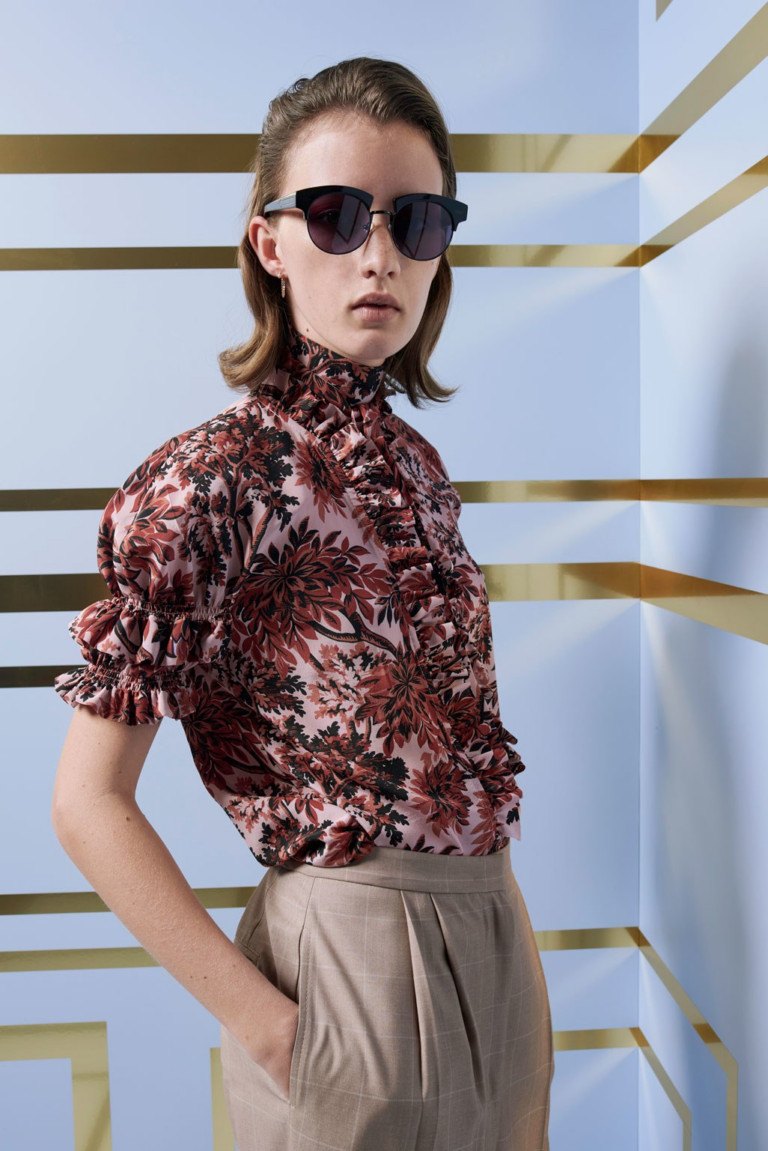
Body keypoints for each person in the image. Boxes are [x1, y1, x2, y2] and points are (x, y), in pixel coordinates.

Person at [51, 55, 554, 1150]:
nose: (379, 254)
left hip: (497, 949)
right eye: (335, 215)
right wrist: (269, 1026)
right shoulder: (209, 479)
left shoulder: (418, 469)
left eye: (416, 220)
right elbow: (87, 801)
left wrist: (520, 986)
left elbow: (469, 764)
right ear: (269, 243)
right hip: (345, 969)